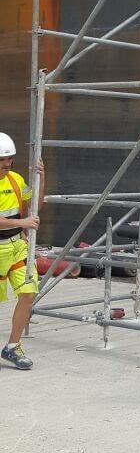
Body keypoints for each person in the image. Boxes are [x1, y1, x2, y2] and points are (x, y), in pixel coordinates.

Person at [0, 132, 44, 370]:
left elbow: (35, 206)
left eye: (9, 159)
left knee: (28, 294)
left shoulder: (16, 179)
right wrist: (22, 224)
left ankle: (12, 347)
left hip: (16, 247)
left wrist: (41, 178)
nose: (7, 164)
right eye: (2, 159)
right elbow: (25, 220)